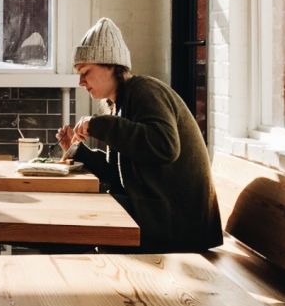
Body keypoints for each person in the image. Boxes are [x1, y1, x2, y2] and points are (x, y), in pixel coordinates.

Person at [57, 17, 223, 253]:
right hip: (157, 212)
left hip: (178, 224)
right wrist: (77, 151)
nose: (81, 81)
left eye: (86, 72)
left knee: (76, 216)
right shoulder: (118, 104)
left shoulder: (145, 90)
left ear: (112, 65)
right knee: (71, 215)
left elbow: (165, 146)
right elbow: (120, 177)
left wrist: (100, 125)